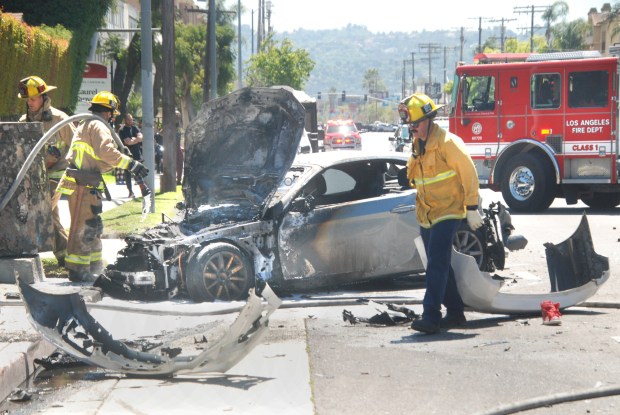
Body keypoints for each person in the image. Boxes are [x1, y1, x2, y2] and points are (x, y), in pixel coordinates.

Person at [398, 93, 483, 334]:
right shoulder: (418, 144)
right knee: (438, 263)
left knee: (436, 262)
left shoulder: (448, 143)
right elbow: (419, 174)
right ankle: (455, 312)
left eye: (414, 124)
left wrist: (473, 207)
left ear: (428, 120)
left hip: (449, 210)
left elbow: (469, 174)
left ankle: (431, 315)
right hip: (428, 213)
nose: (411, 128)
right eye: (409, 125)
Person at [56, 91, 149, 282]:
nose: (113, 117)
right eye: (113, 113)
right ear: (109, 112)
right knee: (83, 228)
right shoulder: (98, 126)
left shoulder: (88, 124)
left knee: (94, 226)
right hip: (82, 184)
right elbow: (107, 152)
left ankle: (95, 267)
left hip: (88, 182)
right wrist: (131, 164)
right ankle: (77, 270)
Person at [18, 75, 76, 267]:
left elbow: (78, 145)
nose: (30, 103)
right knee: (48, 216)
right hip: (32, 177)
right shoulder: (23, 122)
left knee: (43, 211)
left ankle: (62, 256)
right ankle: (65, 255)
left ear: (43, 97)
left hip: (56, 176)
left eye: (33, 99)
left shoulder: (60, 120)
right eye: (27, 100)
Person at [118, 113, 143, 197]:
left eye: (131, 119)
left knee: (138, 172)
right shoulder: (122, 130)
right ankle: (130, 191)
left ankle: (143, 190)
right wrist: (136, 140)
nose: (130, 121)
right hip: (127, 154)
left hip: (136, 153)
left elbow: (140, 137)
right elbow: (128, 142)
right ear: (125, 120)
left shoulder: (135, 128)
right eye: (128, 119)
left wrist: (134, 140)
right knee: (128, 173)